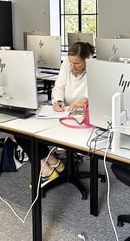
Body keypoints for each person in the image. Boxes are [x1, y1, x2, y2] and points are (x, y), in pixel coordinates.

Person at [17, 41, 95, 187]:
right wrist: (57, 100)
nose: (72, 67)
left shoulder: (95, 69)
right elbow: (58, 86)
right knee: (22, 132)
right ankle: (54, 162)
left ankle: (47, 169)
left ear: (87, 60)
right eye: (71, 62)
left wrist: (85, 100)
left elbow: (99, 94)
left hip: (81, 117)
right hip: (63, 112)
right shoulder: (66, 64)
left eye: (77, 63)